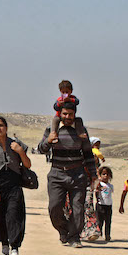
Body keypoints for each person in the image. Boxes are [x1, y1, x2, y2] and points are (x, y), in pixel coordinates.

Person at [38, 104, 98, 247]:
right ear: (60, 114)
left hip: (77, 174)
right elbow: (41, 149)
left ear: (74, 115)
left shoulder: (81, 131)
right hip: (57, 173)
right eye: (65, 114)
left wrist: (94, 175)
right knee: (54, 207)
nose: (67, 117)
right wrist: (48, 140)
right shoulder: (51, 130)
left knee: (78, 208)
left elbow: (88, 154)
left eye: (70, 114)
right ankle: (63, 230)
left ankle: (74, 236)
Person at [0, 116, 31, 255]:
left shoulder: (16, 144)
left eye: (1, 125)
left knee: (14, 215)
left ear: (6, 127)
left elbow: (28, 165)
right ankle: (4, 245)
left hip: (14, 185)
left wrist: (21, 152)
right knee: (0, 217)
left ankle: (14, 246)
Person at [95, 166, 114, 242]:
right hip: (100, 205)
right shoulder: (100, 184)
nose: (105, 176)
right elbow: (96, 191)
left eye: (107, 174)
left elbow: (109, 193)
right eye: (103, 174)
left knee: (108, 221)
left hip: (108, 205)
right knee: (100, 221)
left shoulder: (110, 186)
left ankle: (107, 235)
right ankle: (99, 234)